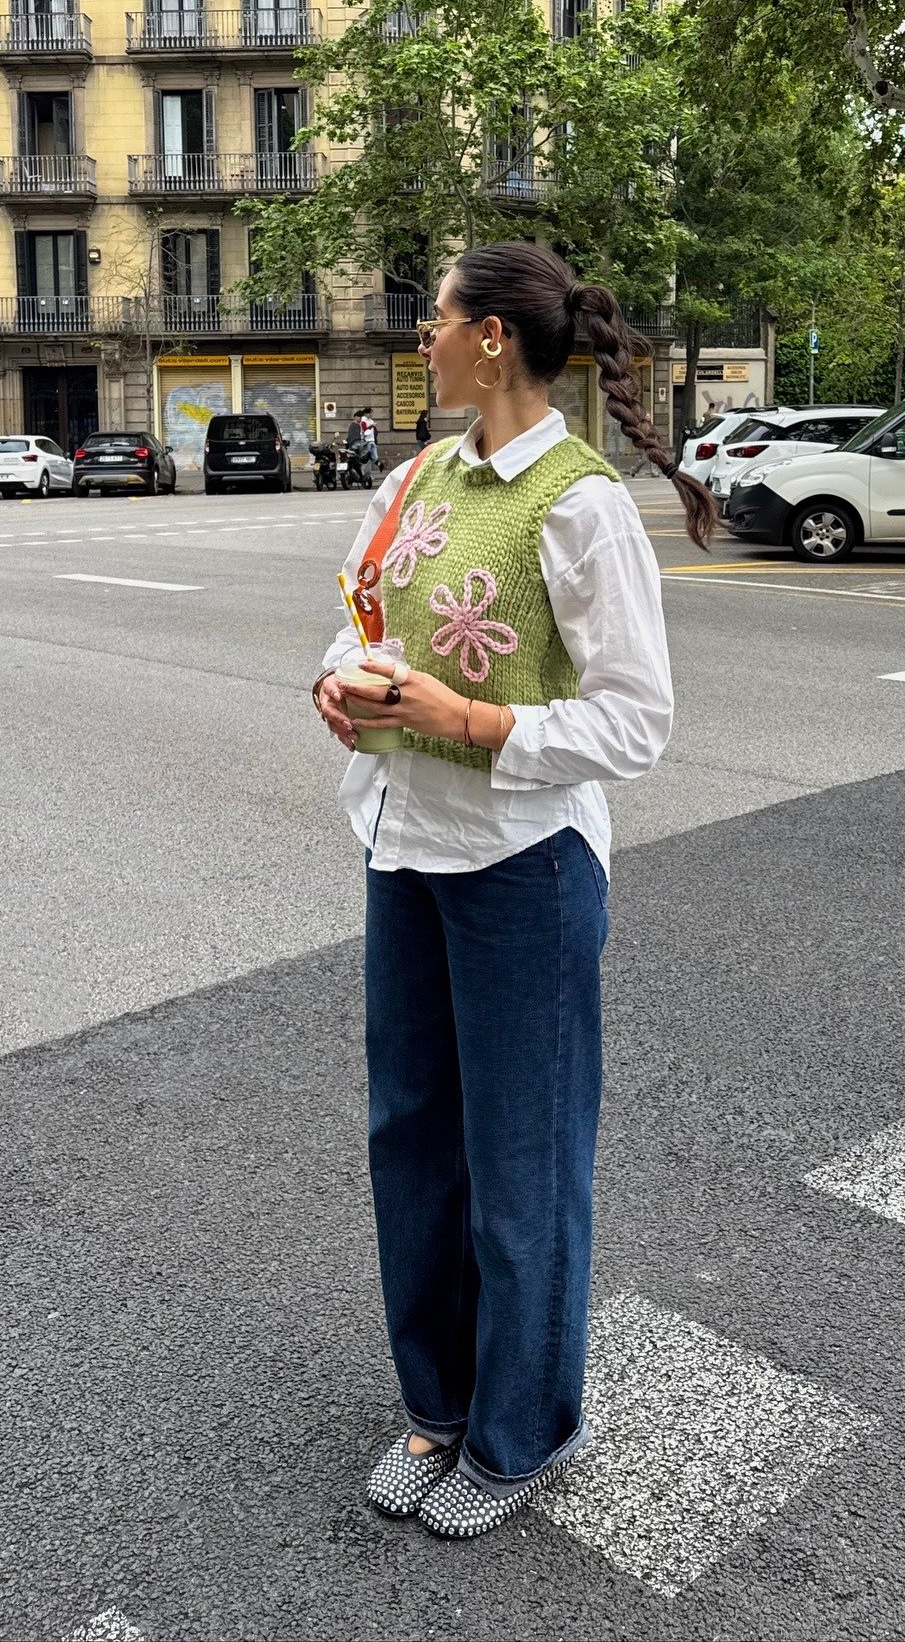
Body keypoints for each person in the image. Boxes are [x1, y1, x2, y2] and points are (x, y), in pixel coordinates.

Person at [312, 240, 714, 1540]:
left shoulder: (580, 504)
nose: (420, 337)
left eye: (434, 318)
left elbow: (637, 720)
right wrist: (338, 681)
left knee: (521, 1162)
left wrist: (471, 721)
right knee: (410, 1140)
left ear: (490, 338)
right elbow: (361, 616)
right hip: (402, 847)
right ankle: (436, 1407)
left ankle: (518, 1431)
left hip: (522, 866)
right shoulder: (416, 476)